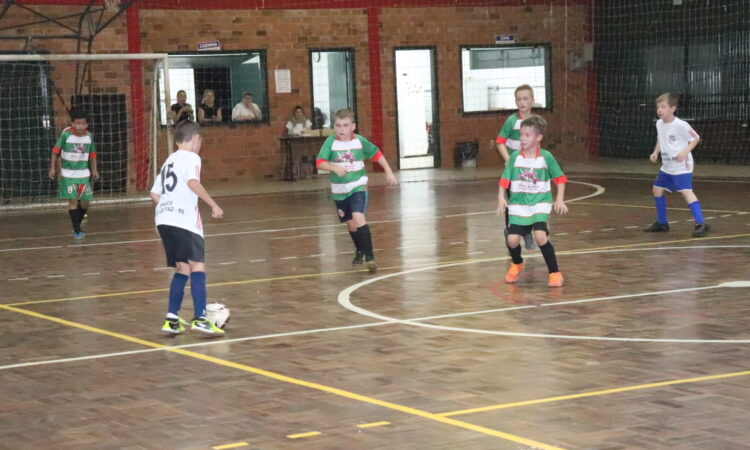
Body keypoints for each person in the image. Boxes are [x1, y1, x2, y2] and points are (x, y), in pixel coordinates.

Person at [150, 120, 225, 335]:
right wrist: (213, 204)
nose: (200, 145)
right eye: (201, 141)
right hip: (184, 221)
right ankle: (200, 318)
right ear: (194, 140)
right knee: (198, 266)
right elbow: (193, 182)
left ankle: (172, 318)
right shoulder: (192, 157)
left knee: (182, 268)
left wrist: (169, 204)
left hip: (163, 220)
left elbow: (155, 193)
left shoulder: (169, 161)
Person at [315, 108, 397, 273]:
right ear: (334, 127)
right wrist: (333, 167)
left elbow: (376, 154)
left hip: (358, 186)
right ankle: (359, 249)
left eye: (345, 125)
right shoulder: (330, 142)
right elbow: (319, 163)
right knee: (351, 224)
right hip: (339, 191)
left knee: (359, 217)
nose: (342, 129)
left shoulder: (360, 141)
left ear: (353, 126)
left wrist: (388, 171)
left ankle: (370, 257)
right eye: (338, 126)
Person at [497, 115, 568, 287]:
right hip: (518, 205)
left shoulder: (546, 157)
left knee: (540, 236)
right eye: (521, 135)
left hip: (539, 203)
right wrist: (500, 198)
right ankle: (517, 263)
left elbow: (560, 179)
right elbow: (504, 180)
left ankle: (555, 273)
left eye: (527, 135)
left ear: (538, 138)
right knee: (512, 240)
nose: (522, 138)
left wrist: (559, 200)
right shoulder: (514, 157)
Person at [644, 93, 709, 237]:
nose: (659, 110)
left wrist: (684, 151)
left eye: (663, 107)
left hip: (682, 166)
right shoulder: (659, 124)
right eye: (658, 107)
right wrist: (655, 152)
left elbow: (696, 138)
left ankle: (700, 223)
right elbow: (660, 140)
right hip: (667, 166)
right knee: (657, 190)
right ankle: (662, 223)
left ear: (673, 108)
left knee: (686, 192)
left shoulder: (680, 125)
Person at [496, 84, 537, 251]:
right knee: (513, 201)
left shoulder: (535, 122)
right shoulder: (512, 120)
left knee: (529, 199)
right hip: (514, 169)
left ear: (532, 100)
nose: (522, 102)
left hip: (529, 169)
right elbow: (500, 141)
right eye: (519, 99)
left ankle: (527, 232)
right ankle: (510, 230)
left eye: (525, 98)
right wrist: (507, 159)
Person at [48, 106, 99, 239]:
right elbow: (55, 152)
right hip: (68, 174)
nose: (80, 126)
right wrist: (53, 168)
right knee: (73, 201)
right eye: (77, 123)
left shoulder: (89, 137)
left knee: (85, 202)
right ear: (72, 124)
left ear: (86, 124)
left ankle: (77, 224)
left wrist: (94, 169)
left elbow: (92, 154)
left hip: (83, 174)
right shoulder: (66, 135)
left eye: (83, 123)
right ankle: (77, 231)